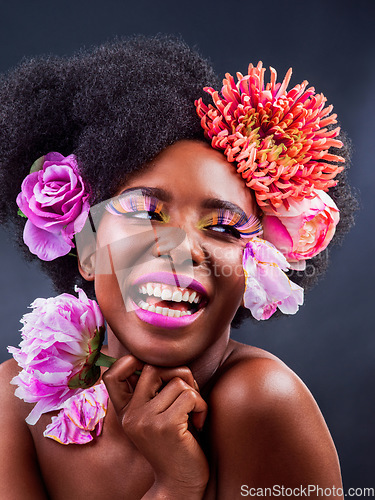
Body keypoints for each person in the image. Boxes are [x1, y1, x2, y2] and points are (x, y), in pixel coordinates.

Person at [0, 35, 356, 499]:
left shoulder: (260, 400)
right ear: (87, 248)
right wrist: (174, 487)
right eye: (148, 214)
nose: (183, 250)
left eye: (225, 228)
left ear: (259, 269)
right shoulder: (15, 397)